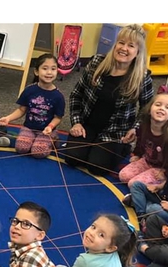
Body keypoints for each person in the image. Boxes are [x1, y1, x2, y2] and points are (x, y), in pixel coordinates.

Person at [61, 24, 154, 175]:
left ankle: (121, 148)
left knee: (97, 167)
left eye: (131, 46)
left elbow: (147, 109)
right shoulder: (97, 62)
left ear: (137, 52)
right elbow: (76, 94)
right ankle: (91, 144)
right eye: (121, 43)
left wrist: (134, 128)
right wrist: (77, 122)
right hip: (87, 126)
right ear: (115, 44)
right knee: (72, 158)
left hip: (115, 132)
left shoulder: (142, 78)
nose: (124, 48)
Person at [0, 53, 65, 158]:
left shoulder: (58, 96)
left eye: (53, 69)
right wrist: (8, 118)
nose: (49, 72)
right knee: (21, 148)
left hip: (46, 131)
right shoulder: (29, 90)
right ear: (36, 71)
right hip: (29, 128)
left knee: (38, 152)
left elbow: (58, 117)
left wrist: (50, 127)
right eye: (45, 68)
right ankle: (34, 139)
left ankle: (53, 138)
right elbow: (21, 110)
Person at [118, 90, 168, 188]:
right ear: (149, 108)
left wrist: (166, 173)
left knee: (133, 184)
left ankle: (161, 185)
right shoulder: (144, 126)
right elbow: (140, 141)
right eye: (158, 105)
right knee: (123, 176)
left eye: (167, 107)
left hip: (161, 168)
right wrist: (138, 154)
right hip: (147, 161)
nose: (161, 109)